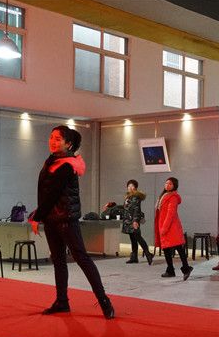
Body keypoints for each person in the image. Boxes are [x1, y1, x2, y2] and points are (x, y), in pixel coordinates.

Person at [30, 125, 114, 319]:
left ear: (68, 144)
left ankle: (104, 300)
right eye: (51, 137)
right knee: (58, 261)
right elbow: (44, 194)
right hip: (52, 220)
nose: (53, 141)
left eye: (58, 139)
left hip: (66, 220)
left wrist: (37, 217)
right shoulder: (51, 161)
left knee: (82, 259)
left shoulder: (67, 165)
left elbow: (52, 195)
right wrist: (40, 214)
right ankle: (62, 301)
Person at [154, 177, 193, 280]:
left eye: (170, 184)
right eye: (166, 183)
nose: (167, 185)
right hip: (164, 225)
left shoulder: (173, 197)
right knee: (166, 249)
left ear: (174, 186)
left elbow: (170, 214)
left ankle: (186, 268)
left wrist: (164, 228)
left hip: (171, 226)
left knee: (178, 247)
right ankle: (170, 270)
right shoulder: (164, 195)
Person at [122, 179, 153, 265]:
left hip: (133, 221)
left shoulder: (135, 197)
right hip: (128, 221)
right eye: (128, 186)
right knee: (133, 238)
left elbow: (136, 209)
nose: (130, 187)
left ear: (135, 187)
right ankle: (134, 257)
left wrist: (135, 221)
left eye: (132, 186)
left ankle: (148, 253)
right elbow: (127, 208)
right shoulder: (128, 197)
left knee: (138, 237)